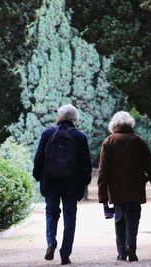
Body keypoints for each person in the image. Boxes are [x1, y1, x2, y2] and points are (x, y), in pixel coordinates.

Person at [33, 104, 92, 265]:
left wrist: (38, 176)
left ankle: (51, 242)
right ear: (75, 118)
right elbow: (86, 164)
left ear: (59, 117)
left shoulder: (48, 133)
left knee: (52, 214)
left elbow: (39, 158)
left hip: (51, 181)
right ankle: (65, 254)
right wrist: (85, 182)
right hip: (72, 184)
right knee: (70, 218)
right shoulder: (79, 137)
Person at [98, 111, 151, 262]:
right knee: (133, 217)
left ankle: (122, 252)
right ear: (130, 124)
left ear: (114, 125)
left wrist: (103, 197)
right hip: (135, 188)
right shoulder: (138, 141)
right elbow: (150, 166)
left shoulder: (109, 141)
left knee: (119, 219)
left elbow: (103, 171)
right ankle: (131, 245)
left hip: (116, 189)